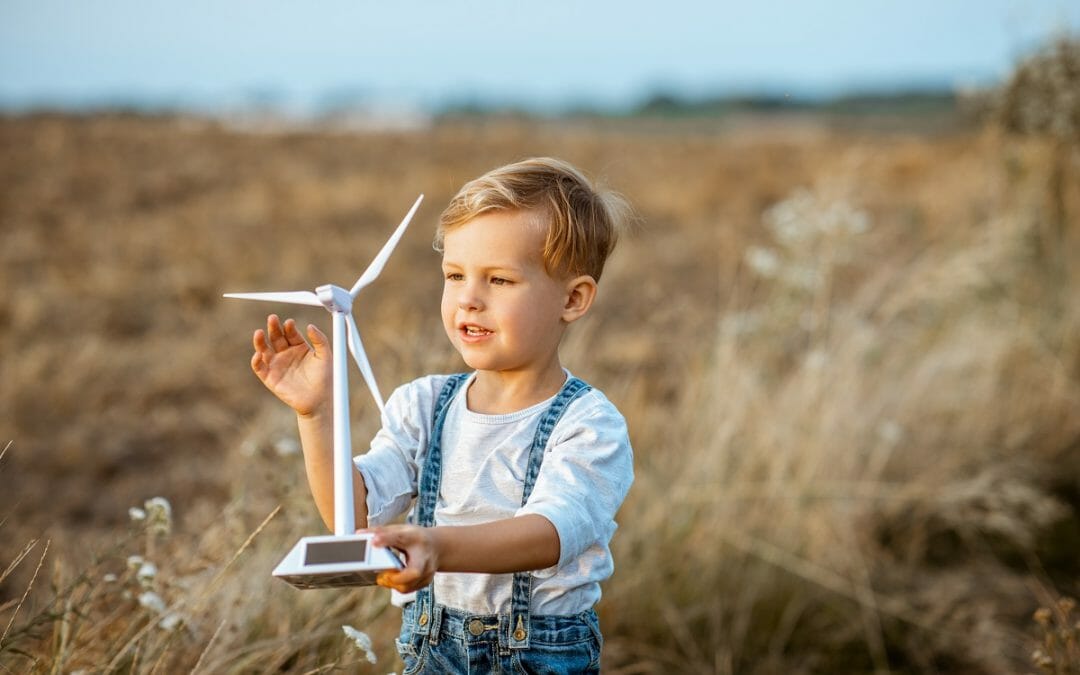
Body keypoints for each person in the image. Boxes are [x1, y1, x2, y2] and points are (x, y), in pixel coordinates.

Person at [246, 157, 634, 673]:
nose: (469, 299)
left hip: (539, 654)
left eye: (499, 280)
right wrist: (315, 416)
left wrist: (436, 546)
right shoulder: (423, 406)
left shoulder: (587, 424)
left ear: (573, 298)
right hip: (432, 647)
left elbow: (550, 532)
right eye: (455, 275)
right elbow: (355, 517)